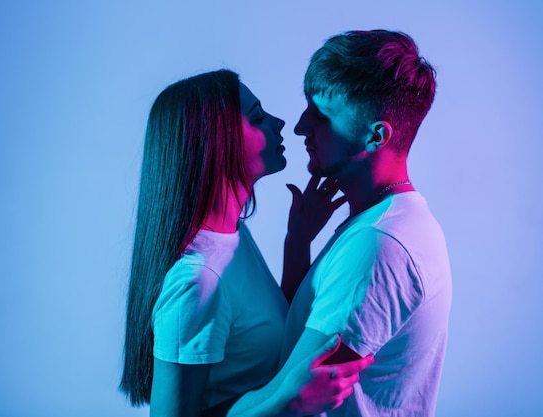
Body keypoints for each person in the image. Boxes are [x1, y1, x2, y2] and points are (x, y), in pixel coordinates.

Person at [213, 30, 452, 417]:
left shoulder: (380, 245)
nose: (301, 126)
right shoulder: (378, 222)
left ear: (376, 136)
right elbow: (295, 349)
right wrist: (299, 243)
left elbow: (289, 401)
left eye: (322, 116)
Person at [120, 69, 373, 417]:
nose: (281, 123)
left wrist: (297, 242)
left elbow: (263, 335)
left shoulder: (232, 235)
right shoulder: (197, 281)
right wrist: (285, 401)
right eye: (257, 117)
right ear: (213, 142)